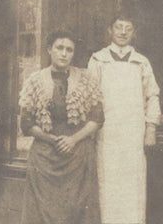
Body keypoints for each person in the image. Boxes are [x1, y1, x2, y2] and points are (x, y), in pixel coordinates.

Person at [19, 30, 104, 224]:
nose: (64, 53)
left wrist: (73, 139)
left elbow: (97, 118)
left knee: (78, 213)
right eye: (59, 48)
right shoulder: (34, 80)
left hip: (78, 157)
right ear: (49, 49)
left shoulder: (86, 79)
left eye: (69, 49)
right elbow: (26, 124)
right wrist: (53, 140)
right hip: (44, 158)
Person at [88, 13, 161, 224]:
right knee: (108, 183)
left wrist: (151, 129)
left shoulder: (141, 62)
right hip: (107, 133)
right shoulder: (98, 59)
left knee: (133, 185)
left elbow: (152, 95)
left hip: (133, 134)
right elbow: (91, 96)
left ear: (134, 33)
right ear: (110, 30)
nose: (122, 32)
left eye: (127, 28)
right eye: (118, 27)